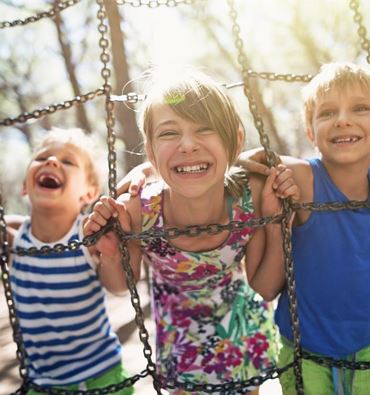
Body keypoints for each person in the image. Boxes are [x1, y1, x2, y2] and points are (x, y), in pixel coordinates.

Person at [85, 70, 299, 395]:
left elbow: (266, 288)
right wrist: (112, 254)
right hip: (180, 342)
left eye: (204, 130)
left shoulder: (250, 196)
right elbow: (118, 286)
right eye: (170, 133)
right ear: (152, 152)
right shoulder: (139, 208)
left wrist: (275, 220)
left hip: (241, 332)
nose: (187, 145)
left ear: (235, 141)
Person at [237, 62, 370, 395]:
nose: (343, 119)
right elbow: (246, 162)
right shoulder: (303, 179)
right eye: (327, 113)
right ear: (311, 133)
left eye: (360, 108)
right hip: (306, 353)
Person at [6, 128, 134, 394]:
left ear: (89, 193)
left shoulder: (89, 235)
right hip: (43, 385)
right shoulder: (14, 239)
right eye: (42, 158)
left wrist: (110, 255)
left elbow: (120, 288)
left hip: (103, 377)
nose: (52, 162)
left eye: (67, 161)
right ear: (24, 185)